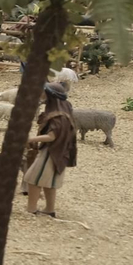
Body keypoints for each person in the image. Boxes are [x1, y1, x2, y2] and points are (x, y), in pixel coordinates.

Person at [24, 82, 78, 218]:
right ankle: (49, 209)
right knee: (49, 183)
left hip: (52, 152)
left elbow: (52, 136)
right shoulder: (62, 108)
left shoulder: (58, 115)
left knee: (33, 178)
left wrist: (30, 140)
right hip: (57, 151)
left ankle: (31, 209)